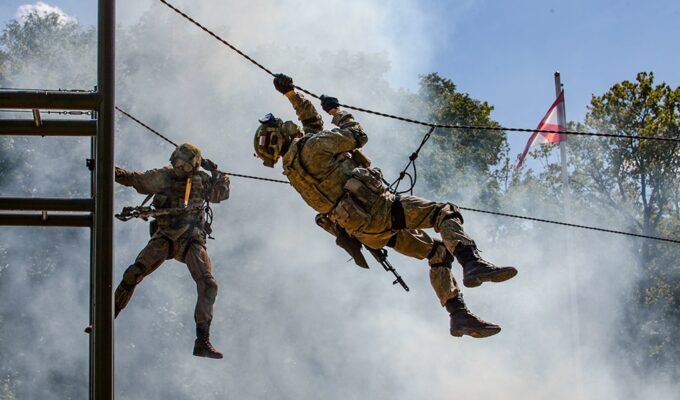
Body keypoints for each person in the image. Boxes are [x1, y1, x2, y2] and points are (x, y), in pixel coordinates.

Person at [253, 74, 517, 338]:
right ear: (281, 134)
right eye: (282, 125)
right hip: (382, 210)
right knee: (443, 213)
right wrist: (337, 111)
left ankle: (458, 315)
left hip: (371, 235)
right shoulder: (314, 146)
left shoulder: (294, 172)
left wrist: (291, 95)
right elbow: (357, 135)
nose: (287, 124)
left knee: (437, 254)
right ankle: (471, 262)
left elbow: (310, 124)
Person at [114, 143, 229, 358]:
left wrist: (217, 173)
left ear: (194, 167)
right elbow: (135, 179)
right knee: (134, 273)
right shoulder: (163, 177)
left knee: (209, 284)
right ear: (173, 160)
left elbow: (220, 194)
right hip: (165, 236)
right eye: (178, 163)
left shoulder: (201, 181)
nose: (180, 169)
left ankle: (202, 341)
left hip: (191, 239)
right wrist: (112, 171)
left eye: (186, 167)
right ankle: (107, 315)